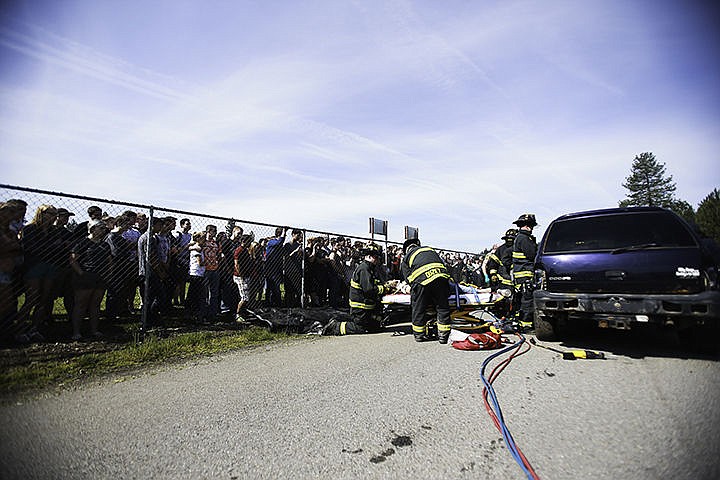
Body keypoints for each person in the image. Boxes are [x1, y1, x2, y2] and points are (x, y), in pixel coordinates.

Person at [322, 244, 392, 336]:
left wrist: (386, 285)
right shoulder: (364, 269)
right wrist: (385, 288)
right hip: (360, 307)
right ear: (369, 256)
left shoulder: (369, 268)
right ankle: (336, 326)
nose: (377, 259)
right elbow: (369, 289)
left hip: (367, 305)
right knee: (360, 328)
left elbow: (374, 284)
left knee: (375, 327)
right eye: (375, 257)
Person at [401, 238, 452, 344]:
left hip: (422, 280)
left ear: (407, 249)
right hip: (441, 277)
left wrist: (415, 290)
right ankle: (443, 336)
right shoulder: (429, 249)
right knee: (442, 307)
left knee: (418, 308)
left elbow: (408, 278)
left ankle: (419, 335)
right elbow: (443, 265)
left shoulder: (407, 257)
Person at [69, 219, 112, 340]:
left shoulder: (104, 244)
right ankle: (76, 332)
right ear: (93, 229)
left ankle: (94, 330)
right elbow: (73, 260)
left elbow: (109, 261)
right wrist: (82, 273)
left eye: (104, 228)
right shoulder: (83, 242)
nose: (103, 230)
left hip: (101, 277)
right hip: (86, 277)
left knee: (96, 304)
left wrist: (109, 273)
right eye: (101, 228)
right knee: (81, 304)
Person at [511, 213, 538, 332]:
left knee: (522, 299)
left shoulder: (520, 238)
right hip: (525, 273)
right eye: (531, 226)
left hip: (520, 274)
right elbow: (532, 255)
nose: (532, 229)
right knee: (528, 300)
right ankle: (526, 325)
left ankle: (521, 322)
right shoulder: (524, 239)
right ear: (527, 226)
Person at [186, 231, 208, 323]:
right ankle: (192, 313)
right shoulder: (196, 249)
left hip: (199, 273)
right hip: (196, 274)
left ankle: (194, 313)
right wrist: (207, 262)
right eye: (203, 238)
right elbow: (200, 263)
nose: (205, 240)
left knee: (195, 294)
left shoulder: (198, 248)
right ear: (198, 239)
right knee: (195, 294)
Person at [232, 234, 253, 322]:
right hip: (240, 276)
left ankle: (243, 312)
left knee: (246, 296)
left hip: (246, 275)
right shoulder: (239, 250)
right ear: (244, 241)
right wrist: (241, 275)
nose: (250, 243)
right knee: (245, 297)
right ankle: (238, 314)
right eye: (249, 241)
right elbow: (236, 264)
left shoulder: (245, 250)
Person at [264, 227, 286, 307]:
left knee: (277, 287)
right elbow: (279, 242)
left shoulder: (279, 245)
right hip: (270, 268)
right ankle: (267, 303)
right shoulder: (272, 242)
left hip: (277, 268)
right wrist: (284, 233)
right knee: (270, 287)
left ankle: (277, 303)